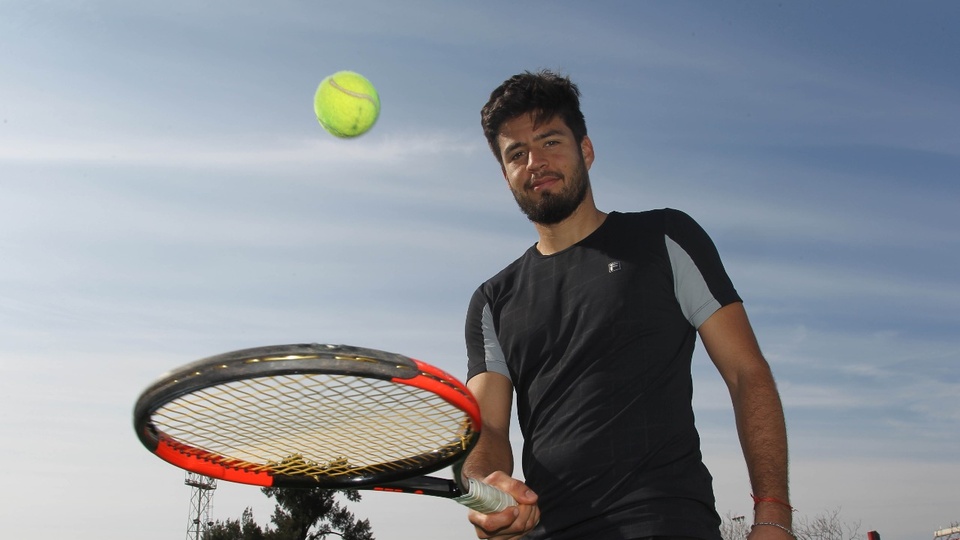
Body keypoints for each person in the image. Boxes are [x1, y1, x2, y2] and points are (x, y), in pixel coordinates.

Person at [460, 70, 791, 540]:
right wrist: (486, 488)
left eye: (551, 141)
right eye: (517, 154)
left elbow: (746, 372)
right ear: (506, 175)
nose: (536, 161)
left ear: (586, 151)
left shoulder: (663, 237)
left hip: (666, 522)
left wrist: (774, 514)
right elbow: (489, 427)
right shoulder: (492, 300)